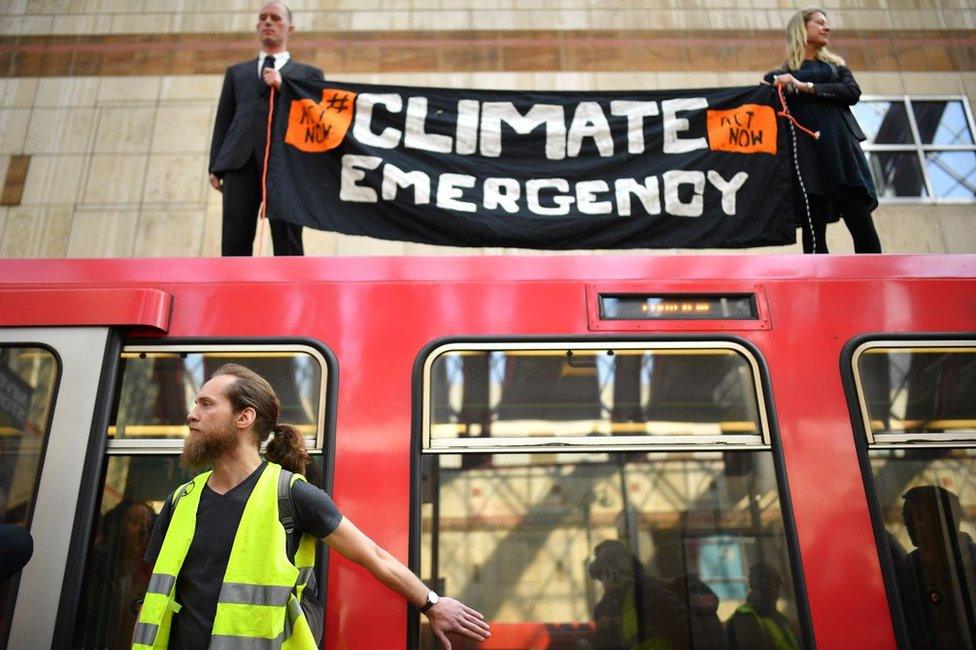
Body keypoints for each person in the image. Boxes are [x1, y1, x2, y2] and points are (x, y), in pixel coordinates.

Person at [133, 364, 490, 648]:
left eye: (206, 404)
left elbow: (373, 555)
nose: (191, 415)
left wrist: (432, 603)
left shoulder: (292, 495)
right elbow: (153, 597)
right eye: (196, 403)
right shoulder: (181, 500)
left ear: (244, 418)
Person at [764, 8, 882, 254]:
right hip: (807, 159)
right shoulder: (778, 76)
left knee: (862, 224)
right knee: (814, 233)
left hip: (842, 153)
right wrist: (766, 90)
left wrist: (805, 87)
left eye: (826, 23)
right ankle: (818, 288)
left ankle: (875, 282)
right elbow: (764, 111)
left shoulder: (837, 68)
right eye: (819, 23)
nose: (826, 27)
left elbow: (852, 93)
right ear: (802, 29)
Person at [209, 3, 319, 256]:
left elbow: (316, 118)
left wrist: (285, 86)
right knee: (235, 236)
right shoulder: (236, 73)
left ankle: (288, 292)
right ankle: (235, 291)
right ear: (258, 26)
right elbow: (224, 119)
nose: (268, 22)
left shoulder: (309, 74)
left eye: (275, 18)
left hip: (287, 165)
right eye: (263, 18)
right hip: (240, 162)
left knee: (288, 238)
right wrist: (215, 165)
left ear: (290, 28)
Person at [895, 485, 976, 649]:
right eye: (908, 520)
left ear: (947, 523)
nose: (911, 526)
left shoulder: (972, 561)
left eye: (918, 517)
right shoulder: (906, 568)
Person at [76, 501, 156, 649]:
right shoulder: (98, 567)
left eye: (148, 525)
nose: (144, 531)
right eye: (135, 522)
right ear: (115, 527)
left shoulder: (126, 571)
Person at [726, 562, 800, 650]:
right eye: (773, 588)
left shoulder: (779, 617)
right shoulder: (744, 617)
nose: (777, 594)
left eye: (777, 588)